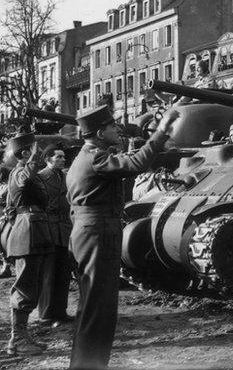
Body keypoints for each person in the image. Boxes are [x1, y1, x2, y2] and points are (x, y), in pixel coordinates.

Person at [66, 105, 180, 370]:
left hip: (90, 231)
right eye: (112, 126)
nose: (117, 129)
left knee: (93, 304)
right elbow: (137, 163)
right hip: (98, 233)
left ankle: (86, 363)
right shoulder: (95, 158)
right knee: (99, 306)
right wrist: (161, 130)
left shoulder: (86, 156)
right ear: (99, 132)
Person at [5, 132, 53, 355]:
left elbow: (10, 209)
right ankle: (17, 339)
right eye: (36, 149)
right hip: (28, 234)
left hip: (35, 232)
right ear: (25, 153)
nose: (41, 153)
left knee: (32, 286)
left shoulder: (29, 174)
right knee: (25, 287)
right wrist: (33, 157)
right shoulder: (19, 173)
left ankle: (22, 337)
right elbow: (24, 182)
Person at [37, 144, 73, 328]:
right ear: (48, 159)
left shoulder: (66, 176)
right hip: (49, 229)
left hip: (64, 229)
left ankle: (61, 312)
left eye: (63, 157)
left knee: (64, 273)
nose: (62, 159)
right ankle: (45, 315)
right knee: (48, 274)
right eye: (58, 157)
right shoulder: (41, 178)